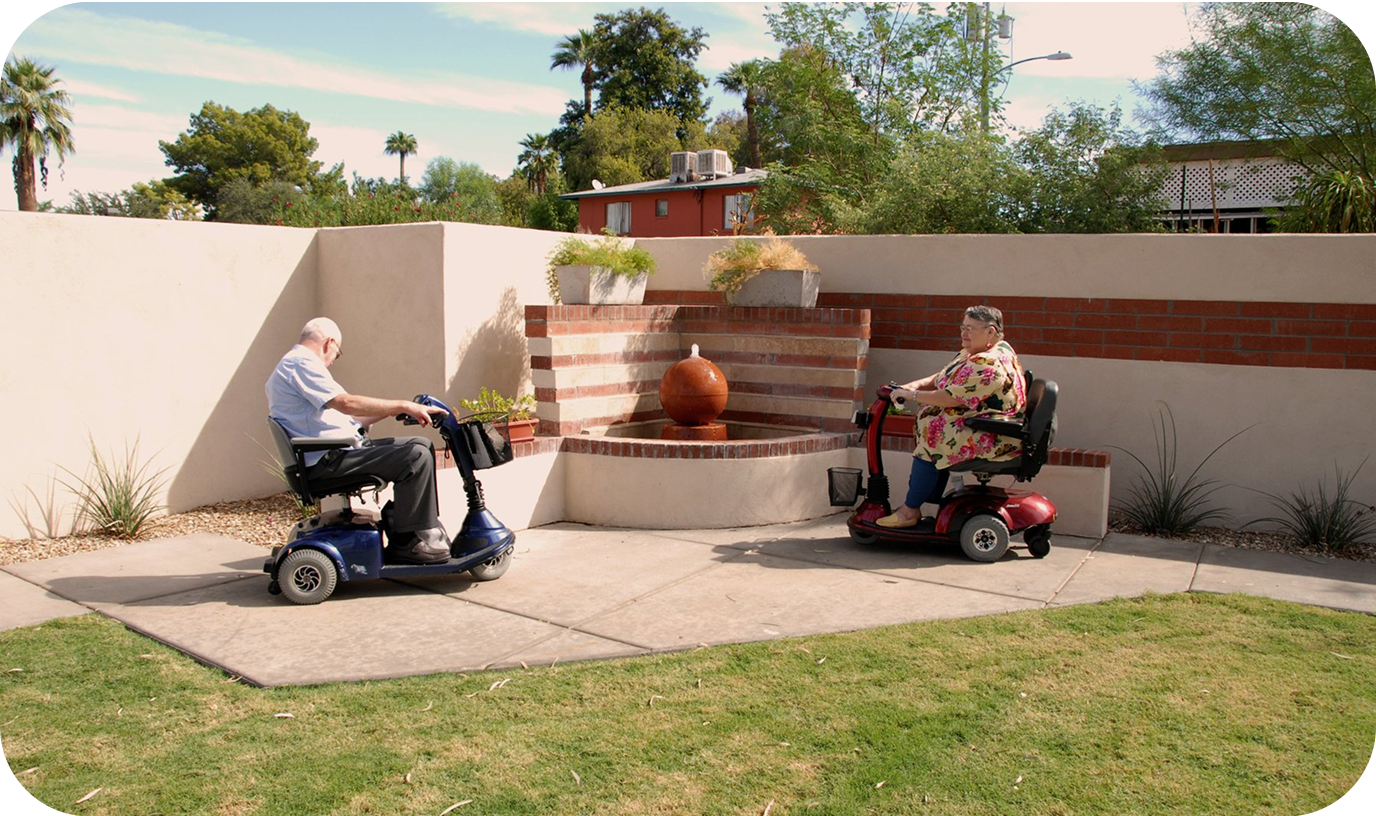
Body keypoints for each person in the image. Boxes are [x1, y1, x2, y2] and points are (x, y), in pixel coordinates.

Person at [266, 317, 451, 564]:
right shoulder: (300, 364)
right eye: (337, 354)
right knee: (414, 457)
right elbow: (346, 403)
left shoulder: (296, 365)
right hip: (328, 461)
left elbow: (349, 418)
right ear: (329, 343)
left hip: (333, 453)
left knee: (420, 444)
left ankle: (410, 525)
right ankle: (406, 542)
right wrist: (401, 404)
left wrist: (394, 410)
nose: (333, 360)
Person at [878, 305, 1027, 529]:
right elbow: (943, 376)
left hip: (995, 434)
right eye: (963, 327)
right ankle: (921, 501)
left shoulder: (988, 363)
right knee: (934, 428)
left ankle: (910, 511)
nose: (964, 334)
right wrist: (914, 385)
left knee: (934, 436)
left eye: (971, 329)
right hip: (983, 424)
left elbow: (950, 397)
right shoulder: (976, 351)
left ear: (991, 332)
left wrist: (912, 395)